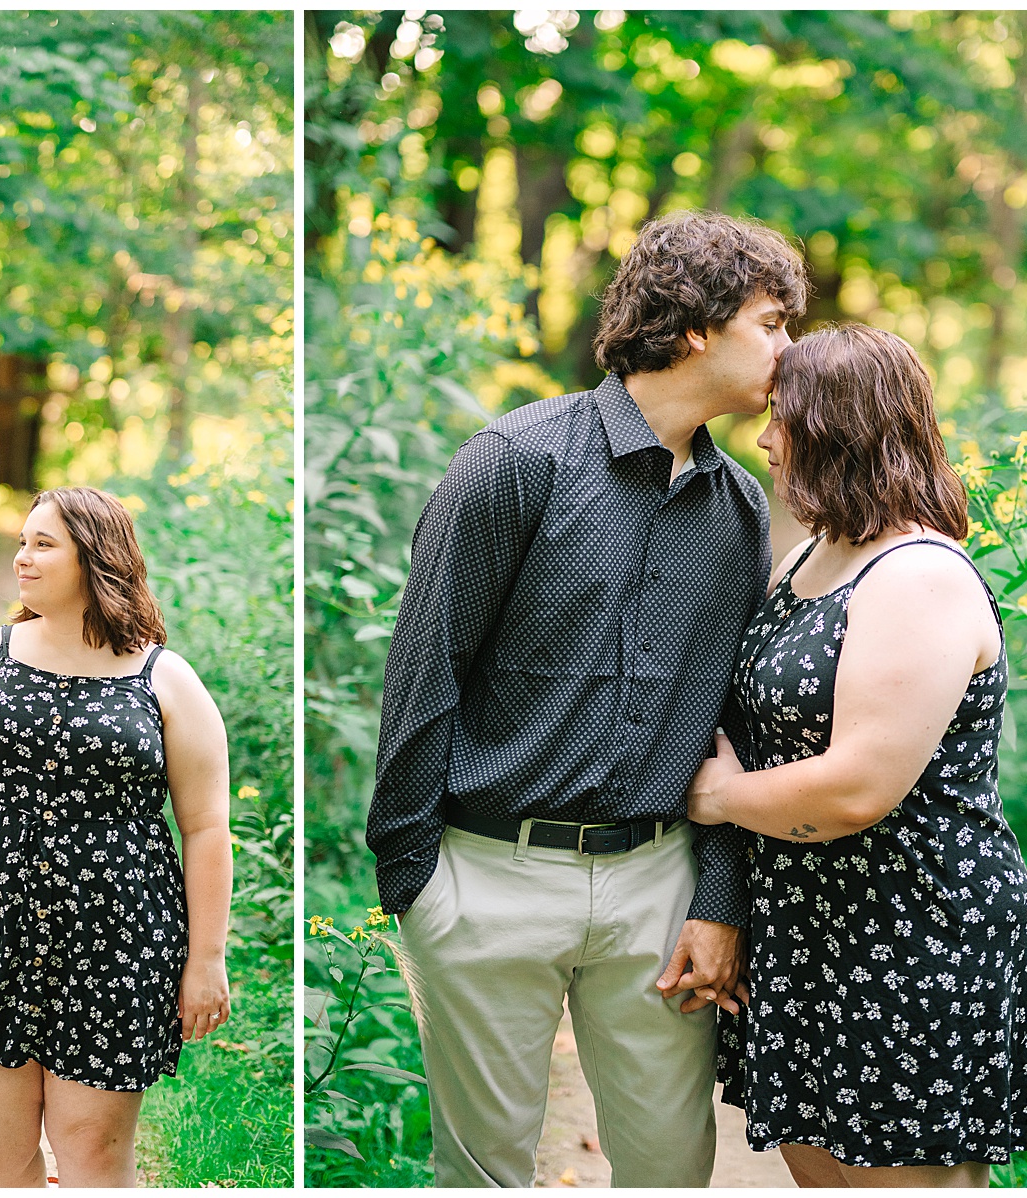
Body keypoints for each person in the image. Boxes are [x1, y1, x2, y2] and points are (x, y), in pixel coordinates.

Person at [367, 210, 808, 1187]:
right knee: (483, 1172)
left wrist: (719, 897)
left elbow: (736, 721)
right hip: (486, 879)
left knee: (669, 1168)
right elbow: (423, 670)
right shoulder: (515, 462)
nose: (789, 348)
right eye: (772, 321)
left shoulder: (740, 506)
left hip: (657, 887)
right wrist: (416, 881)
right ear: (695, 324)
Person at [688, 323, 1027, 1186]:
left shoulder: (918, 574)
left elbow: (856, 788)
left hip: (916, 932)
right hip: (813, 930)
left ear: (839, 428)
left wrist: (721, 798)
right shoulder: (816, 551)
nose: (766, 439)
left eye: (783, 418)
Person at [0, 485, 233, 1188]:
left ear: (97, 558)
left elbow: (207, 828)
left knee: (91, 1152)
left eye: (42, 544)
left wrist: (205, 959)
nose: (21, 557)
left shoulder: (165, 680)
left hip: (118, 944)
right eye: (21, 542)